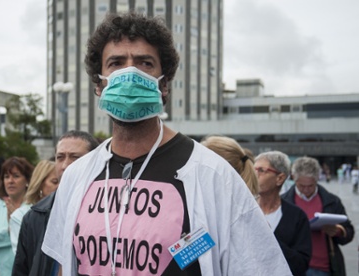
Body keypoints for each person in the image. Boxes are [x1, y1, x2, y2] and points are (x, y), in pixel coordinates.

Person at [41, 12, 291, 275]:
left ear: (164, 84)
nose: (129, 74)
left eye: (145, 63)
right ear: (98, 85)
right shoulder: (76, 177)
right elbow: (65, 264)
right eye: (116, 63)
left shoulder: (214, 177)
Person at [12, 130, 99, 276]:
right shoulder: (35, 216)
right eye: (60, 157)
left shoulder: (107, 212)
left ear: (95, 161)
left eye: (75, 157)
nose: (65, 165)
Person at [281, 156, 354, 276]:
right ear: (294, 179)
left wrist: (339, 231)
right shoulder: (283, 202)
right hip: (293, 267)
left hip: (322, 267)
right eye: (301, 185)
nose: (306, 189)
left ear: (317, 179)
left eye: (310, 185)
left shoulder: (331, 201)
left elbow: (349, 231)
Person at [254, 151, 311, 275]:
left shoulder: (297, 216)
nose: (255, 174)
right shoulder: (243, 210)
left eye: (262, 170)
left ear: (280, 178)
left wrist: (270, 237)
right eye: (254, 169)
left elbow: (301, 264)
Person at [0, 157, 33, 276]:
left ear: (27, 180)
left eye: (16, 176)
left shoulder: (33, 208)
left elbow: (32, 242)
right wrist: (9, 230)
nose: (10, 181)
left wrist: (12, 228)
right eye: (6, 177)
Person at [10, 160, 57, 253]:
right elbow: (21, 255)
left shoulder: (67, 212)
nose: (60, 186)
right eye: (55, 182)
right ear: (40, 184)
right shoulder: (20, 215)